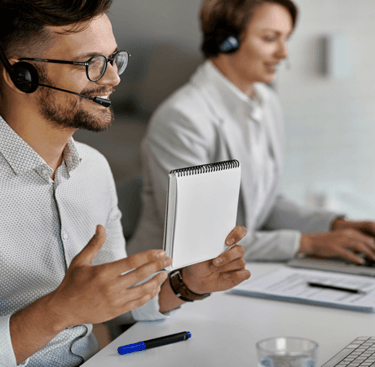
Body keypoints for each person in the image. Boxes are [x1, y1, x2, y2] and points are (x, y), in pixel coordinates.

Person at [0, 1, 250, 366]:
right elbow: (75, 307)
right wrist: (58, 311)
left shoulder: (94, 170)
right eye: (91, 64)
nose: (114, 78)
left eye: (114, 59)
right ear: (21, 74)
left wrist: (187, 285)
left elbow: (113, 299)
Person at [128, 0, 375, 264]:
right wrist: (309, 243)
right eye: (270, 38)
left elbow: (266, 206)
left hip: (235, 270)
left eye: (286, 39)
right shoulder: (182, 118)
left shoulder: (267, 103)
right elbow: (201, 237)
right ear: (226, 41)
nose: (284, 53)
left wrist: (335, 225)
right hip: (166, 279)